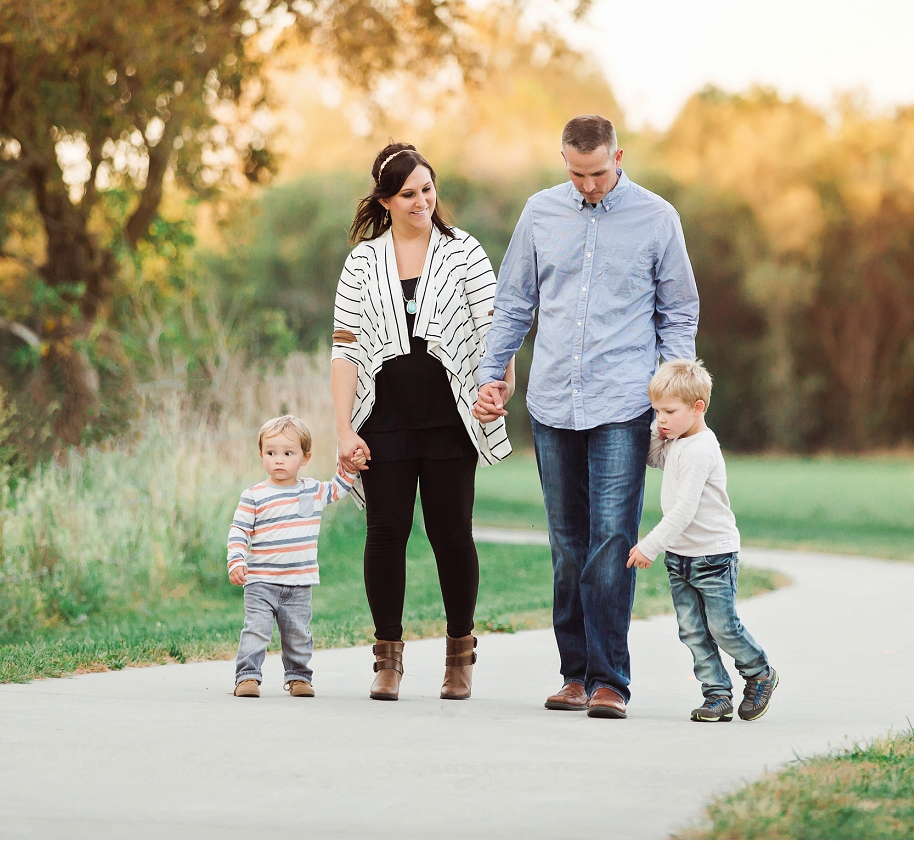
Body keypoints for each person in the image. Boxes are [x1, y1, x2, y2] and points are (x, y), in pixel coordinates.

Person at [473, 115, 699, 719]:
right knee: (567, 545)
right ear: (564, 162)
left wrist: (675, 396)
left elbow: (677, 313)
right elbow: (514, 303)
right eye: (577, 174)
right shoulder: (540, 213)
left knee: (611, 543)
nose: (589, 186)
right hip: (551, 402)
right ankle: (573, 675)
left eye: (598, 173)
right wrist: (490, 378)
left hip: (624, 403)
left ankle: (610, 682)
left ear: (618, 157)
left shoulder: (657, 218)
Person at [331, 142, 513, 701]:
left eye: (428, 190)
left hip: (450, 418)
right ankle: (387, 661)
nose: (421, 201)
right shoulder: (363, 261)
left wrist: (497, 387)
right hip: (382, 418)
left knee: (451, 534)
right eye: (408, 194)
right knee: (385, 535)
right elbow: (344, 348)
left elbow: (496, 332)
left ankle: (460, 654)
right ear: (385, 201)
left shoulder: (465, 254)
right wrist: (344, 431)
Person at [625, 360, 778, 723]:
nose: (661, 418)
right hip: (681, 558)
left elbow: (684, 511)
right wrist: (656, 430)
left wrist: (650, 544)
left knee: (722, 627)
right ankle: (717, 695)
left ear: (698, 408)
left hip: (713, 556)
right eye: (656, 411)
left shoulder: (701, 450)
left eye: (668, 411)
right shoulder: (677, 440)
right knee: (692, 630)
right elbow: (650, 456)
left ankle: (760, 672)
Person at [227, 414, 359, 698]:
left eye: (288, 453)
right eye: (271, 453)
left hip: (299, 582)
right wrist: (237, 560)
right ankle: (247, 677)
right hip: (261, 581)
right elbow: (239, 530)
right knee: (256, 631)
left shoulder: (311, 491)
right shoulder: (254, 496)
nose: (279, 460)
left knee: (298, 634)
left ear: (304, 458)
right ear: (261, 454)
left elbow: (339, 487)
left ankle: (298, 677)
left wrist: (350, 465)